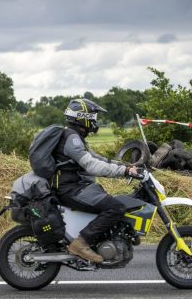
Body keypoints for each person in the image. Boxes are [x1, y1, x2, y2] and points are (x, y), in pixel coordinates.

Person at [51, 98, 138, 263]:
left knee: (110, 200)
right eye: (92, 116)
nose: (94, 120)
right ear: (82, 117)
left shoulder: (74, 137)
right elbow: (92, 165)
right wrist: (124, 171)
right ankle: (81, 243)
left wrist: (126, 166)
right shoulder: (72, 139)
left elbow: (97, 158)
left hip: (75, 186)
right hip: (69, 188)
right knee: (116, 207)